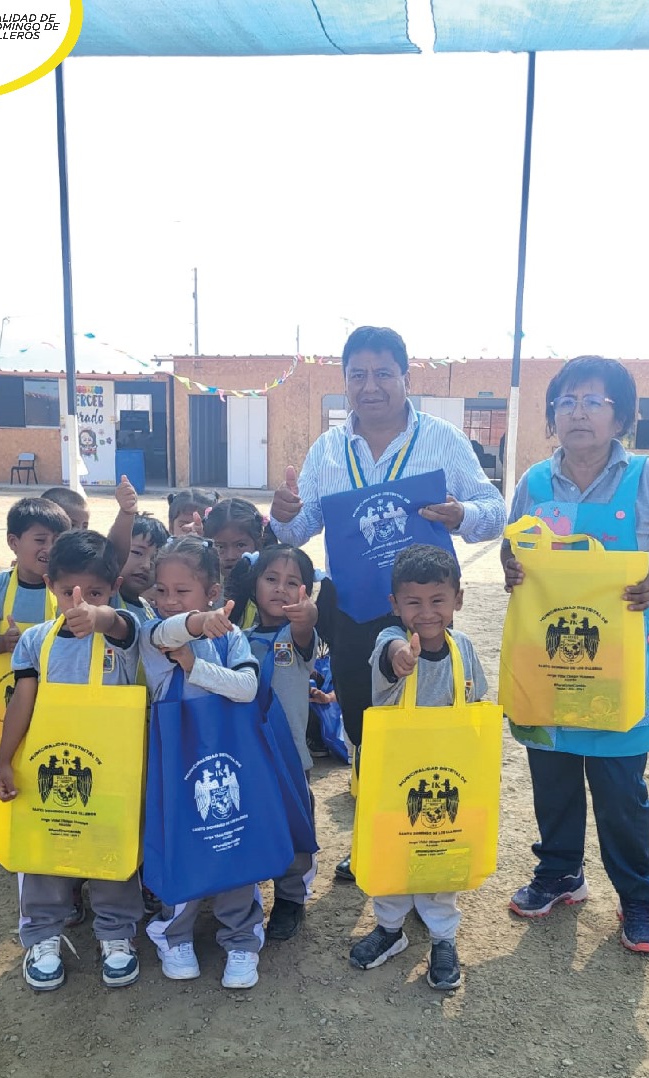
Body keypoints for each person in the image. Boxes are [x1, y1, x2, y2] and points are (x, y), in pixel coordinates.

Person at [269, 325, 505, 879]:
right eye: (358, 375)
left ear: (405, 377)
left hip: (423, 614)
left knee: (427, 727)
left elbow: (495, 510)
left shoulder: (443, 439)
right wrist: (282, 514)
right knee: (366, 730)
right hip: (352, 612)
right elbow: (299, 530)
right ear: (345, 380)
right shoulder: (328, 450)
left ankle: (427, 838)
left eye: (382, 374)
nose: (370, 386)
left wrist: (461, 514)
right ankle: (373, 838)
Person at [501, 355, 649, 953]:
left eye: (594, 401)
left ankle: (637, 896)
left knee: (621, 792)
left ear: (622, 417)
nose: (578, 413)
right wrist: (512, 566)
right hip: (549, 666)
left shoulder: (648, 478)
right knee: (553, 781)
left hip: (615, 670)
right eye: (566, 402)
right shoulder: (534, 483)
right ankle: (560, 873)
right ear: (552, 416)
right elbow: (514, 551)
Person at [0, 531, 144, 991]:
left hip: (112, 772)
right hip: (50, 764)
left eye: (94, 593)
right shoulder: (35, 642)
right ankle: (43, 934)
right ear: (50, 585)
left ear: (114, 587)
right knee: (43, 850)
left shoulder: (125, 634)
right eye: (68, 592)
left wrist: (100, 617)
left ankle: (116, 931)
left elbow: (120, 625)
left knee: (113, 847)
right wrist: (4, 759)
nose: (80, 602)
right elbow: (22, 702)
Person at [349, 545, 487, 991]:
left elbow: (476, 703)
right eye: (413, 602)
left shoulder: (463, 648)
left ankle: (443, 938)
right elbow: (390, 651)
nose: (426, 613)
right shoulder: (391, 642)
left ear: (457, 599)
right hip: (395, 779)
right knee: (391, 855)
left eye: (438, 600)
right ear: (396, 604)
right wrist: (400, 658)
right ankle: (390, 928)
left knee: (440, 858)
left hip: (449, 777)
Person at [139, 537, 266, 989]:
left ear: (213, 592)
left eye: (182, 591)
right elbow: (168, 633)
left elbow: (247, 688)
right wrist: (195, 623)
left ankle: (242, 936)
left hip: (228, 757)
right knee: (181, 841)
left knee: (232, 836)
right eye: (161, 590)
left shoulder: (231, 636)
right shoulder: (152, 633)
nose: (168, 600)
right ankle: (174, 932)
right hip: (173, 763)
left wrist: (195, 667)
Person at [227, 545, 320, 940]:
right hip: (248, 758)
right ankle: (245, 897)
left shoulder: (297, 638)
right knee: (249, 825)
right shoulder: (237, 639)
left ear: (306, 592)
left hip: (290, 758)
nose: (281, 589)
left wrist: (308, 618)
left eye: (293, 582)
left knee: (293, 828)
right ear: (255, 586)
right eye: (271, 579)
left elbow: (305, 631)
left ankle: (290, 898)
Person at [0, 497, 71, 656]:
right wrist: (3, 642)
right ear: (13, 542)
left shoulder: (69, 589)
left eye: (57, 541)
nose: (50, 549)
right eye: (40, 540)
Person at [203, 497, 278, 629]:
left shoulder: (269, 587)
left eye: (240, 545)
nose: (230, 556)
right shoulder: (201, 583)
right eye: (220, 547)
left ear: (258, 543)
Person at [116, 512, 170, 623]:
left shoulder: (148, 609)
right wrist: (126, 512)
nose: (146, 566)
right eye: (137, 552)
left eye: (154, 559)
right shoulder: (108, 598)